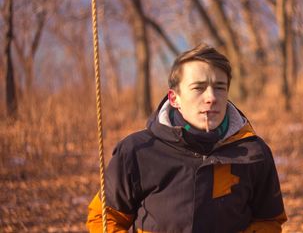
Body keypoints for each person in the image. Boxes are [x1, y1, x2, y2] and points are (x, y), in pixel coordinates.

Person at [87, 44, 287, 233]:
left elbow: (268, 221)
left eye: (219, 87)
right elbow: (104, 218)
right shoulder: (136, 151)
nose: (211, 97)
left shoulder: (254, 153)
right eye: (198, 88)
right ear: (174, 98)